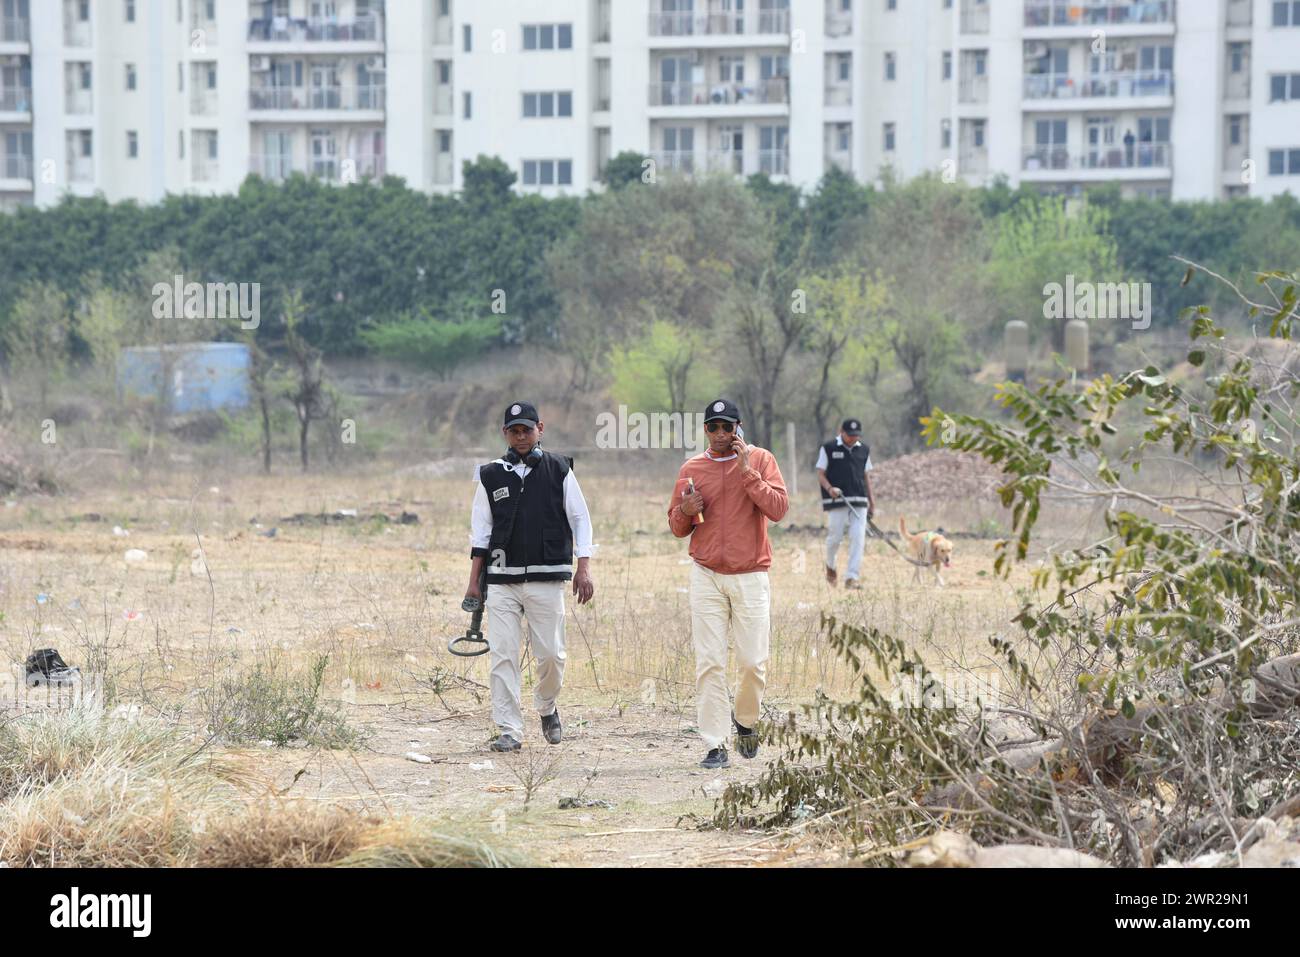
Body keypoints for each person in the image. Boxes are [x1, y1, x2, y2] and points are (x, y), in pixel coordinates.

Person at [466, 401, 595, 752]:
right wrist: (474, 582)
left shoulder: (559, 469)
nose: (521, 436)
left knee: (552, 655)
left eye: (527, 429)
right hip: (502, 579)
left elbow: (580, 519)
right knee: (503, 655)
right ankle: (510, 729)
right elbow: (480, 533)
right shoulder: (490, 475)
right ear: (504, 433)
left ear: (540, 428)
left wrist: (584, 566)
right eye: (514, 430)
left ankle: (547, 706)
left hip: (547, 576)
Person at [668, 399, 788, 769]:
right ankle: (715, 743)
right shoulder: (692, 467)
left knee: (753, 662)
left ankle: (746, 721)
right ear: (705, 429)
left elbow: (779, 510)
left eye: (727, 427)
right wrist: (686, 512)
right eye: (713, 427)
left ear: (739, 426)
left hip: (750, 574)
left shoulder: (761, 460)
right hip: (706, 575)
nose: (721, 434)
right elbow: (676, 526)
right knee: (709, 662)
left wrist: (747, 472)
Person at [817, 418, 876, 590]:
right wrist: (829, 489)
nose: (853, 439)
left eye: (856, 436)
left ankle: (852, 578)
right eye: (850, 435)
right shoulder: (828, 448)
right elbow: (821, 473)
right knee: (835, 538)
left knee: (858, 538)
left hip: (859, 500)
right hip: (837, 500)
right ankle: (831, 565)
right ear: (841, 432)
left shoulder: (864, 450)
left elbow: (866, 476)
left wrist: (872, 501)